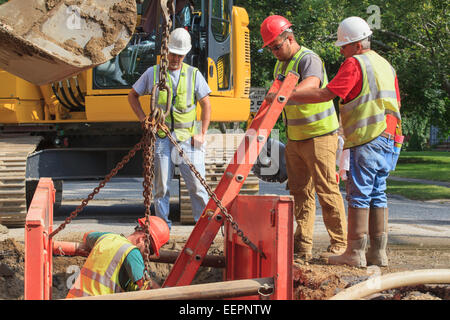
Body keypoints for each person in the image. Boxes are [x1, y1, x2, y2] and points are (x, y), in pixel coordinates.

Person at [278, 16, 402, 267]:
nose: (342, 51)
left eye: (344, 46)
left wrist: (285, 95)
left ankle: (353, 253)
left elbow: (326, 94)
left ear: (357, 45)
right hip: (389, 137)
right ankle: (377, 254)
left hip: (367, 137)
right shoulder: (385, 64)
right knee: (378, 194)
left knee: (358, 195)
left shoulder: (355, 64)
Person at [260, 15, 347, 262]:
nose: (274, 52)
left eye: (277, 46)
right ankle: (303, 247)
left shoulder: (308, 59)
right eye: (270, 49)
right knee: (301, 193)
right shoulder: (280, 65)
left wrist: (281, 94)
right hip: (296, 139)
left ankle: (339, 244)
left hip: (320, 135)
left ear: (290, 38)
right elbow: (275, 96)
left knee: (327, 190)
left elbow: (312, 85)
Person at [128, 28, 211, 229]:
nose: (175, 58)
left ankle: (205, 228)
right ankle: (162, 226)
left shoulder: (193, 74)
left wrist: (202, 133)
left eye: (179, 55)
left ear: (185, 54)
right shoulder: (153, 73)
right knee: (161, 186)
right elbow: (132, 96)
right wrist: (143, 119)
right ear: (166, 52)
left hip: (187, 138)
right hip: (162, 137)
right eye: (173, 53)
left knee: (198, 186)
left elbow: (206, 104)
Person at [66, 216, 170, 298]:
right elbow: (147, 286)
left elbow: (88, 235)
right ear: (142, 239)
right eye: (150, 250)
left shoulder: (107, 237)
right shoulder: (132, 252)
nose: (147, 255)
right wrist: (166, 294)